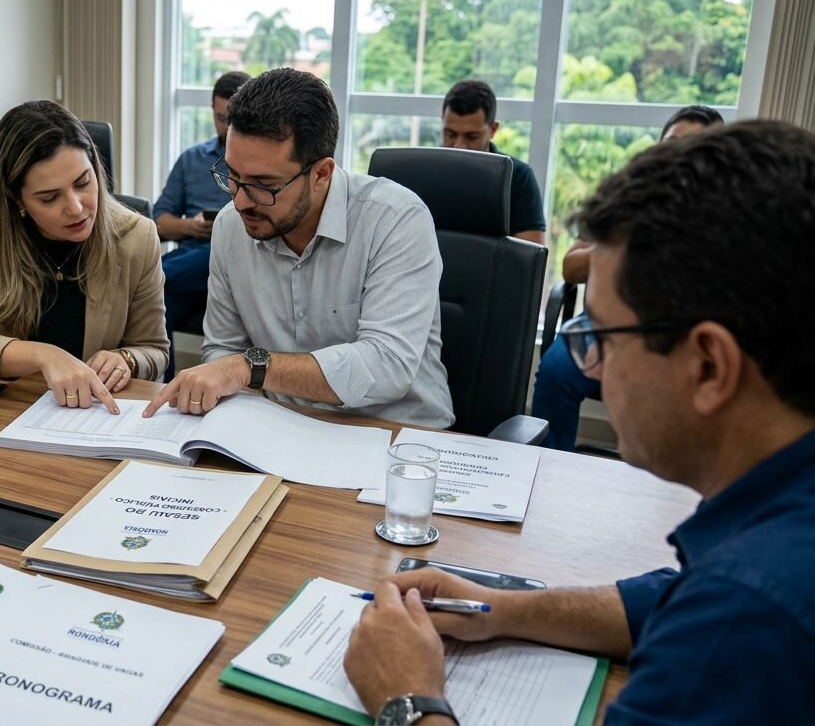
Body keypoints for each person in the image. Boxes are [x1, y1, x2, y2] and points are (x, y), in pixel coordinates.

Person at [343, 120, 815, 725]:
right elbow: (671, 599)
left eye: (602, 336)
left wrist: (407, 697)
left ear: (708, 366)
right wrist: (500, 608)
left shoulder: (747, 617)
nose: (591, 364)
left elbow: (723, 609)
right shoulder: (770, 533)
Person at [145, 68, 454, 428]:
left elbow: (385, 366)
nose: (241, 201)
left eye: (264, 184)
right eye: (232, 175)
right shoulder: (232, 226)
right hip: (282, 427)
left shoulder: (396, 219)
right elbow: (222, 351)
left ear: (321, 173)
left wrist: (251, 367)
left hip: (397, 439)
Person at [0, 100, 169, 412]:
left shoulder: (137, 236)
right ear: (17, 199)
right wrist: (44, 355)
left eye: (83, 182)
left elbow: (155, 349)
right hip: (4, 409)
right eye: (50, 197)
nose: (76, 208)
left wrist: (127, 359)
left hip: (90, 415)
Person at [532, 104, 725, 451]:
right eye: (671, 146)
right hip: (604, 325)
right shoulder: (627, 199)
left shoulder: (725, 214)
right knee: (556, 371)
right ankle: (548, 466)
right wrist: (624, 244)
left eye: (696, 150)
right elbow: (571, 268)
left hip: (678, 334)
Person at [153, 71, 251, 377]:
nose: (226, 127)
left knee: (156, 282)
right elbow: (158, 222)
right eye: (221, 118)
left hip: (240, 260)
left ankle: (147, 279)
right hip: (191, 266)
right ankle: (162, 389)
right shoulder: (192, 159)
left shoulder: (257, 162)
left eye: (233, 119)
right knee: (158, 304)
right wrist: (190, 227)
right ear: (212, 110)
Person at [440, 79, 545, 244]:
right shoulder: (423, 170)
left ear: (493, 130)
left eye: (471, 137)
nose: (459, 145)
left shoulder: (518, 177)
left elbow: (531, 260)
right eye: (450, 134)